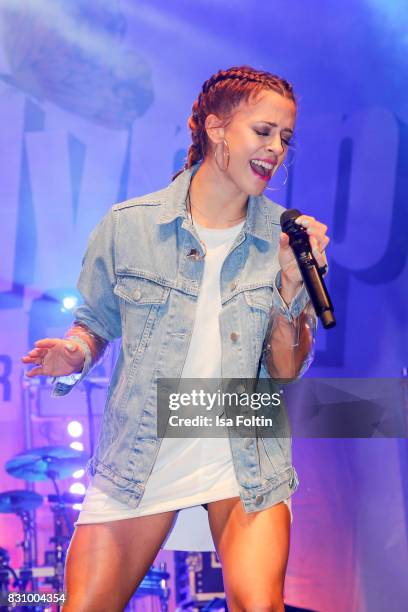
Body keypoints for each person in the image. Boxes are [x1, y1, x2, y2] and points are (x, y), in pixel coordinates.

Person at [22, 66, 329, 612]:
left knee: (260, 605)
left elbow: (282, 372)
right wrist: (73, 353)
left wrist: (289, 284)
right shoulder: (129, 226)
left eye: (285, 137)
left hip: (244, 447)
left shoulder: (285, 235)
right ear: (216, 129)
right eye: (263, 131)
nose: (276, 148)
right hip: (145, 447)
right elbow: (95, 321)